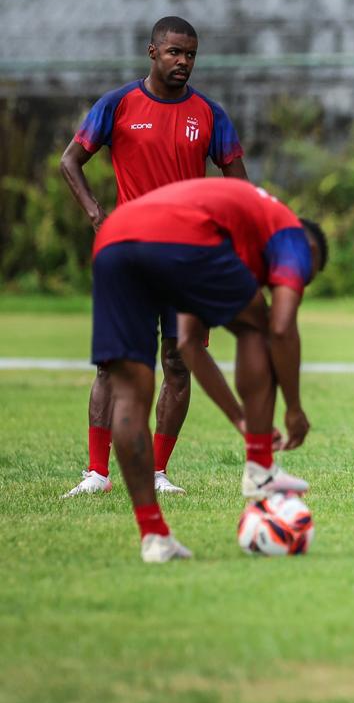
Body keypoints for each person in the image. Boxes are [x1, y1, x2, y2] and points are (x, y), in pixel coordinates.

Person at [90, 177, 326, 562]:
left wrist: (239, 418)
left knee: (129, 392)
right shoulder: (291, 234)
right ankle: (261, 466)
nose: (292, 283)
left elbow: (188, 342)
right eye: (304, 276)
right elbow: (281, 328)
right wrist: (294, 409)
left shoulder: (225, 237)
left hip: (113, 238)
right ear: (310, 251)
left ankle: (155, 538)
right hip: (175, 235)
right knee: (257, 325)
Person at [60, 16, 248, 498]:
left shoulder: (210, 114)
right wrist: (97, 215)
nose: (183, 61)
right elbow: (70, 160)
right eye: (174, 52)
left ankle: (157, 472)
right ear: (152, 52)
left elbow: (239, 188)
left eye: (191, 54)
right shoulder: (119, 104)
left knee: (179, 364)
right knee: (113, 364)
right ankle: (97, 474)